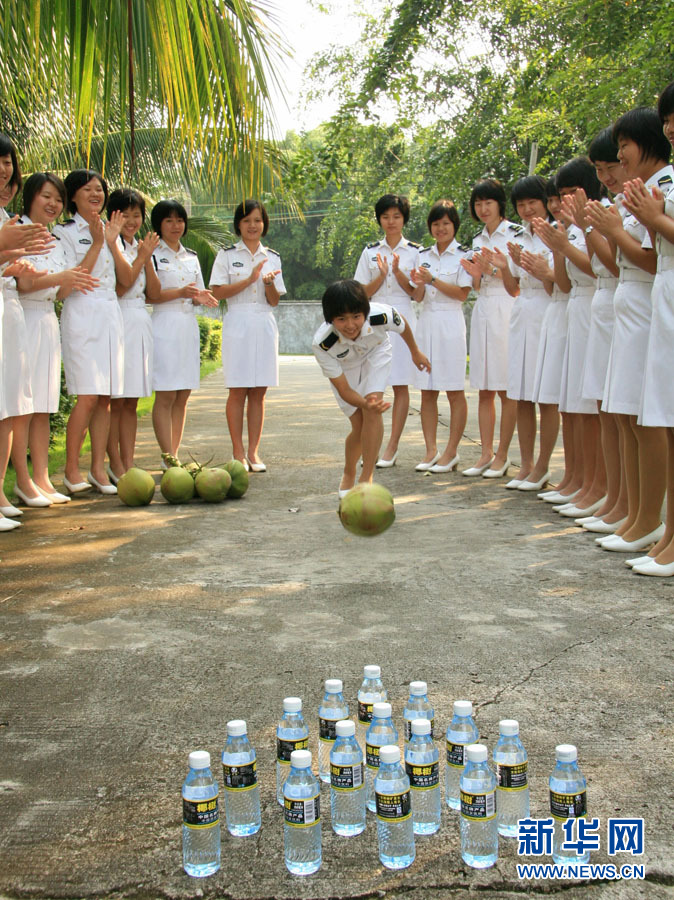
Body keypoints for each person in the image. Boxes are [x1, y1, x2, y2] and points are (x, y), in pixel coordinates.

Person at [585, 107, 674, 555]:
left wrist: (616, 229)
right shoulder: (647, 189)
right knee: (633, 414)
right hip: (638, 302)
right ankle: (639, 516)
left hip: (650, 296)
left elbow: (649, 256)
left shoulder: (664, 185)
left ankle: (647, 520)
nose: (620, 157)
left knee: (656, 418)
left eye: (624, 147)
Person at [12, 173, 98, 507]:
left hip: (47, 319)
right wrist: (60, 277)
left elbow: (61, 290)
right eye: (47, 196)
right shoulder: (17, 231)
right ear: (31, 196)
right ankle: (23, 479)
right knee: (22, 406)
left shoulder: (51, 238)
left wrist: (66, 280)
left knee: (44, 406)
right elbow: (23, 284)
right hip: (24, 318)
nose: (53, 204)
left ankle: (42, 477)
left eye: (58, 199)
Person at [620, 82, 674, 575]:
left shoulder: (667, 184)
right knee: (665, 418)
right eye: (669, 119)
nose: (673, 126)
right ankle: (666, 533)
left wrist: (653, 219)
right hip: (662, 298)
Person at [312, 279, 430, 496]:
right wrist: (364, 403)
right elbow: (345, 390)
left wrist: (415, 352)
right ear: (330, 320)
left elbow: (401, 324)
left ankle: (367, 477)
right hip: (345, 367)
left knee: (373, 409)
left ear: (365, 313)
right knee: (359, 426)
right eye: (341, 319)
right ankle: (349, 472)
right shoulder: (323, 343)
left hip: (376, 353)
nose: (350, 325)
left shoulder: (380, 315)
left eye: (356, 316)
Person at [533, 159, 603, 515]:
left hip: (595, 306)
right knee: (572, 405)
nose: (559, 204)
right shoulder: (572, 227)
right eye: (557, 197)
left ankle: (596, 484)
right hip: (576, 307)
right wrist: (559, 245)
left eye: (567, 194)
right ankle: (577, 479)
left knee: (591, 407)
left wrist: (564, 242)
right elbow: (562, 281)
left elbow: (600, 268)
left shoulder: (596, 219)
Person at [53, 169, 125, 495]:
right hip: (82, 313)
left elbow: (123, 281)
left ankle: (98, 469)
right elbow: (71, 280)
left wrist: (110, 241)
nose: (96, 194)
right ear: (72, 196)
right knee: (88, 395)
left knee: (105, 397)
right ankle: (71, 470)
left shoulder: (112, 231)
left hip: (110, 313)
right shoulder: (64, 232)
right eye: (87, 190)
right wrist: (98, 243)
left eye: (100, 189)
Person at [488, 175, 556, 491]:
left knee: (546, 397)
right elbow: (514, 289)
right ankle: (526, 464)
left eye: (533, 202)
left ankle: (543, 466)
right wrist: (506, 265)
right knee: (523, 395)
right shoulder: (520, 237)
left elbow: (558, 285)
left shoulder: (557, 234)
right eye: (521, 204)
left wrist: (541, 271)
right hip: (523, 314)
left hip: (548, 312)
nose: (527, 209)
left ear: (546, 202)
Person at [209, 199, 284, 472]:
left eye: (257, 220)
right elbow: (217, 293)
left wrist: (268, 284)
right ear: (238, 225)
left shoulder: (272, 257)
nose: (252, 226)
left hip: (264, 322)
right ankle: (237, 452)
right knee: (238, 389)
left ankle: (254, 452)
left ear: (264, 224)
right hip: (237, 322)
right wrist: (250, 280)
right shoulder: (226, 256)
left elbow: (275, 301)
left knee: (259, 391)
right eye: (246, 221)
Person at [354, 194, 420, 467]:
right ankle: (370, 445)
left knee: (401, 383)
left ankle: (392, 447)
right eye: (385, 217)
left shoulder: (416, 252)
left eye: (396, 216)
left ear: (404, 219)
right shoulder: (370, 252)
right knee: (372, 385)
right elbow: (359, 295)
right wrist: (380, 276)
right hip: (374, 320)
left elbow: (417, 294)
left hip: (404, 318)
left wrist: (398, 273)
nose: (391, 222)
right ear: (379, 219)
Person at [150, 200, 218, 466]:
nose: (175, 226)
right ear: (159, 225)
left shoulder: (191, 256)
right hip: (164, 326)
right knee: (166, 393)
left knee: (183, 394)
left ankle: (174, 455)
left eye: (179, 220)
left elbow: (197, 292)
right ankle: (166, 456)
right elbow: (150, 296)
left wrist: (202, 297)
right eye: (168, 221)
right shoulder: (152, 254)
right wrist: (181, 293)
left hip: (187, 326)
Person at [459, 179, 517, 478]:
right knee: (484, 388)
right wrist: (476, 273)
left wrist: (494, 268)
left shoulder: (514, 234)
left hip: (506, 308)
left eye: (488, 203)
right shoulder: (478, 239)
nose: (483, 209)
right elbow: (477, 284)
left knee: (506, 388)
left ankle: (503, 455)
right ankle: (485, 452)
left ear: (499, 204)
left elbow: (516, 282)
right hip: (483, 308)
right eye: (478, 203)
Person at [410, 200, 471, 472]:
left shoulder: (464, 255)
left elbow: (462, 294)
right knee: (427, 391)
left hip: (451, 323)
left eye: (446, 223)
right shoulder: (422, 255)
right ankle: (431, 449)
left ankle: (451, 451)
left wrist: (432, 279)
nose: (441, 228)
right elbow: (417, 295)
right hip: (427, 322)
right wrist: (421, 283)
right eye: (436, 224)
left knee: (455, 390)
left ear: (454, 225)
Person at [104, 189, 159, 481]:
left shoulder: (138, 246)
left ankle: (128, 461)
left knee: (132, 401)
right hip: (118, 318)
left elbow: (153, 291)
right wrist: (141, 257)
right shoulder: (109, 243)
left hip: (139, 321)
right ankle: (114, 463)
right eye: (125, 214)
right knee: (117, 399)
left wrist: (145, 257)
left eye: (137, 215)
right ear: (113, 214)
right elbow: (122, 285)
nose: (132, 221)